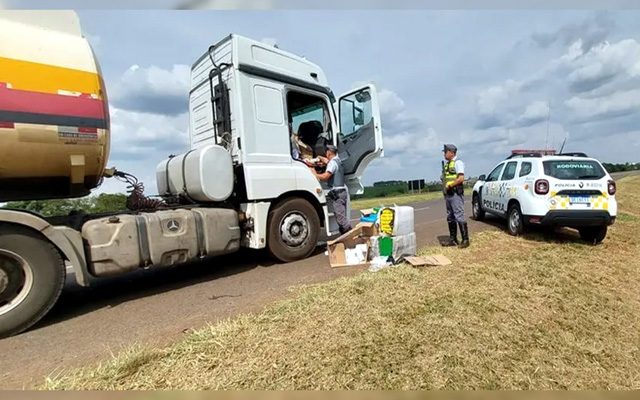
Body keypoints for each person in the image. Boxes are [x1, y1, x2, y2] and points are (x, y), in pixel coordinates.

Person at [309, 144, 352, 234]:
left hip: (337, 193)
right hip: (342, 191)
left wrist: (314, 174)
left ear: (328, 152)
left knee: (341, 219)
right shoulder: (337, 160)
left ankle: (350, 235)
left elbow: (325, 176)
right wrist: (320, 158)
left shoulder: (332, 163)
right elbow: (327, 161)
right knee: (342, 216)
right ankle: (346, 235)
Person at [442, 144, 469, 248]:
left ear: (452, 152)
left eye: (446, 152)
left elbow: (461, 178)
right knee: (450, 216)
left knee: (459, 215)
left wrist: (451, 184)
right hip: (448, 194)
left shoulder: (458, 163)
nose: (444, 154)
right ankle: (453, 239)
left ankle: (465, 240)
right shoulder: (447, 164)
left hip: (455, 193)